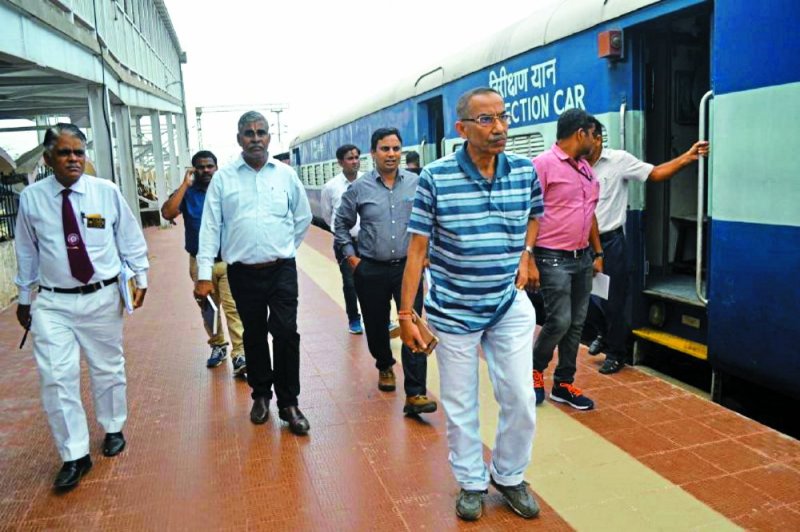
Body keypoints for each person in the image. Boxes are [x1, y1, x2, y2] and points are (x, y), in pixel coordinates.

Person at [400, 87, 543, 521]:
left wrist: (526, 252)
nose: (499, 127)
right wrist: (407, 314)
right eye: (486, 120)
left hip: (507, 303)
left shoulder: (523, 170)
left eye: (502, 117)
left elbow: (535, 212)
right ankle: (471, 482)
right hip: (454, 310)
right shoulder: (436, 177)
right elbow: (418, 250)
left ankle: (509, 474)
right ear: (462, 128)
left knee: (520, 396)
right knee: (461, 405)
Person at [14, 123, 149, 490]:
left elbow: (129, 237)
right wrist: (25, 298)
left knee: (107, 367)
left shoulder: (105, 192)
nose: (73, 159)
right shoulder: (32, 199)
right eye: (64, 152)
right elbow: (26, 251)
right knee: (56, 378)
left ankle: (112, 427)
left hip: (102, 296)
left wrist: (141, 276)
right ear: (47, 159)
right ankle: (74, 454)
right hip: (54, 302)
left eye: (78, 152)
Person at [195, 111, 312, 435]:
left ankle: (289, 403)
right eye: (249, 133)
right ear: (239, 139)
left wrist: (285, 246)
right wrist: (204, 274)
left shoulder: (285, 175)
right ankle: (261, 395)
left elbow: (302, 217)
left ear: (269, 138)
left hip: (281, 270)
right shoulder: (224, 178)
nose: (256, 138)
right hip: (242, 272)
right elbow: (209, 228)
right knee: (254, 334)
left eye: (261, 132)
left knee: (287, 333)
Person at [584, 118, 710, 374]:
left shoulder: (618, 161)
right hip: (582, 243)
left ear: (596, 138)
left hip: (611, 242)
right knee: (583, 301)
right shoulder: (576, 167)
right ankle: (603, 333)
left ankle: (616, 353)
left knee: (613, 301)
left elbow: (654, 173)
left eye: (583, 136)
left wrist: (686, 157)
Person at [335, 128, 436, 416]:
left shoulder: (417, 183)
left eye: (395, 149)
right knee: (377, 326)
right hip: (371, 268)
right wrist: (353, 258)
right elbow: (341, 224)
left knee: (412, 323)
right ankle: (384, 365)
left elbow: (432, 221)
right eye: (385, 149)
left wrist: (426, 254)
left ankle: (415, 393)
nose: (391, 154)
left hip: (408, 268)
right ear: (373, 153)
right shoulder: (359, 189)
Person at [530, 108, 603, 411]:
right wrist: (528, 258)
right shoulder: (543, 165)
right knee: (559, 321)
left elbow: (589, 214)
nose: (597, 142)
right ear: (580, 133)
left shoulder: (585, 168)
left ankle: (563, 384)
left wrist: (597, 252)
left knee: (576, 325)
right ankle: (534, 370)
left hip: (581, 259)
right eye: (594, 135)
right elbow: (528, 213)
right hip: (552, 257)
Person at [160, 150, 246, 375]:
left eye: (210, 166)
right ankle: (218, 346)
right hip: (199, 263)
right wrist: (184, 185)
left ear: (217, 168)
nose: (205, 170)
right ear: (193, 169)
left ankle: (240, 354)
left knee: (233, 307)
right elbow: (168, 213)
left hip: (228, 260)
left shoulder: (227, 190)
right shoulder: (188, 193)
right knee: (209, 307)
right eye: (200, 167)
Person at [320, 144, 364, 334]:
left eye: (356, 157)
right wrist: (342, 234)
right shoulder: (331, 187)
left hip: (368, 241)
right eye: (349, 158)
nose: (354, 161)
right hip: (345, 243)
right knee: (350, 283)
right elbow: (327, 215)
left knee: (376, 282)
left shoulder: (368, 181)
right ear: (340, 162)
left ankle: (382, 319)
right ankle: (354, 320)